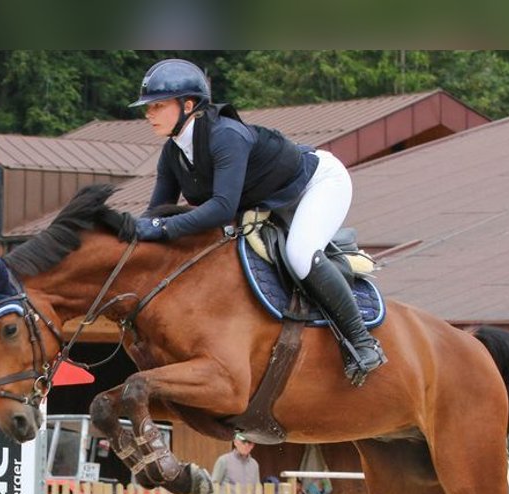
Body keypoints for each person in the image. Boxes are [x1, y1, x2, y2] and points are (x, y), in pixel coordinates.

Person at [129, 58, 386, 386]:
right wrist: (130, 232)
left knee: (300, 253)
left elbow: (222, 208)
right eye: (147, 107)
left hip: (317, 184)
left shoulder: (225, 136)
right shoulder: (173, 152)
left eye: (157, 105)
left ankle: (363, 342)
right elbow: (157, 212)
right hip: (269, 199)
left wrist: (161, 229)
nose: (148, 113)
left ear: (188, 105)